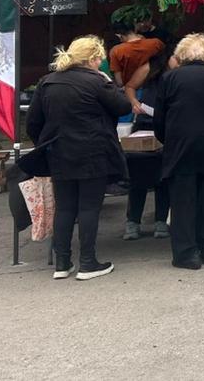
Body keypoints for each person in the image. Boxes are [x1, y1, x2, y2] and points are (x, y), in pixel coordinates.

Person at [24, 36, 131, 280]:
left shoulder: (47, 82)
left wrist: (46, 143)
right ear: (93, 59)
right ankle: (88, 262)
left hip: (59, 153)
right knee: (89, 207)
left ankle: (62, 263)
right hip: (93, 151)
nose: (100, 64)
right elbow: (123, 107)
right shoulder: (96, 82)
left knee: (65, 208)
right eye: (99, 60)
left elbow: (33, 122)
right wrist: (108, 82)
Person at [153, 34, 204, 270]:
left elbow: (159, 118)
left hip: (179, 145)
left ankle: (186, 253)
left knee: (183, 199)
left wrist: (166, 138)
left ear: (181, 56)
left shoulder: (169, 79)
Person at [123, 41, 174, 241]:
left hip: (166, 126)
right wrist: (135, 103)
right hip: (145, 123)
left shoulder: (177, 70)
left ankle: (160, 222)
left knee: (163, 176)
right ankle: (132, 223)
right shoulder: (149, 68)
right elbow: (129, 87)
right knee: (139, 177)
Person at [110, 18, 165, 116]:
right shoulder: (156, 43)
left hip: (131, 95)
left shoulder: (117, 51)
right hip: (156, 90)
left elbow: (119, 82)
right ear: (135, 29)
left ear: (119, 35)